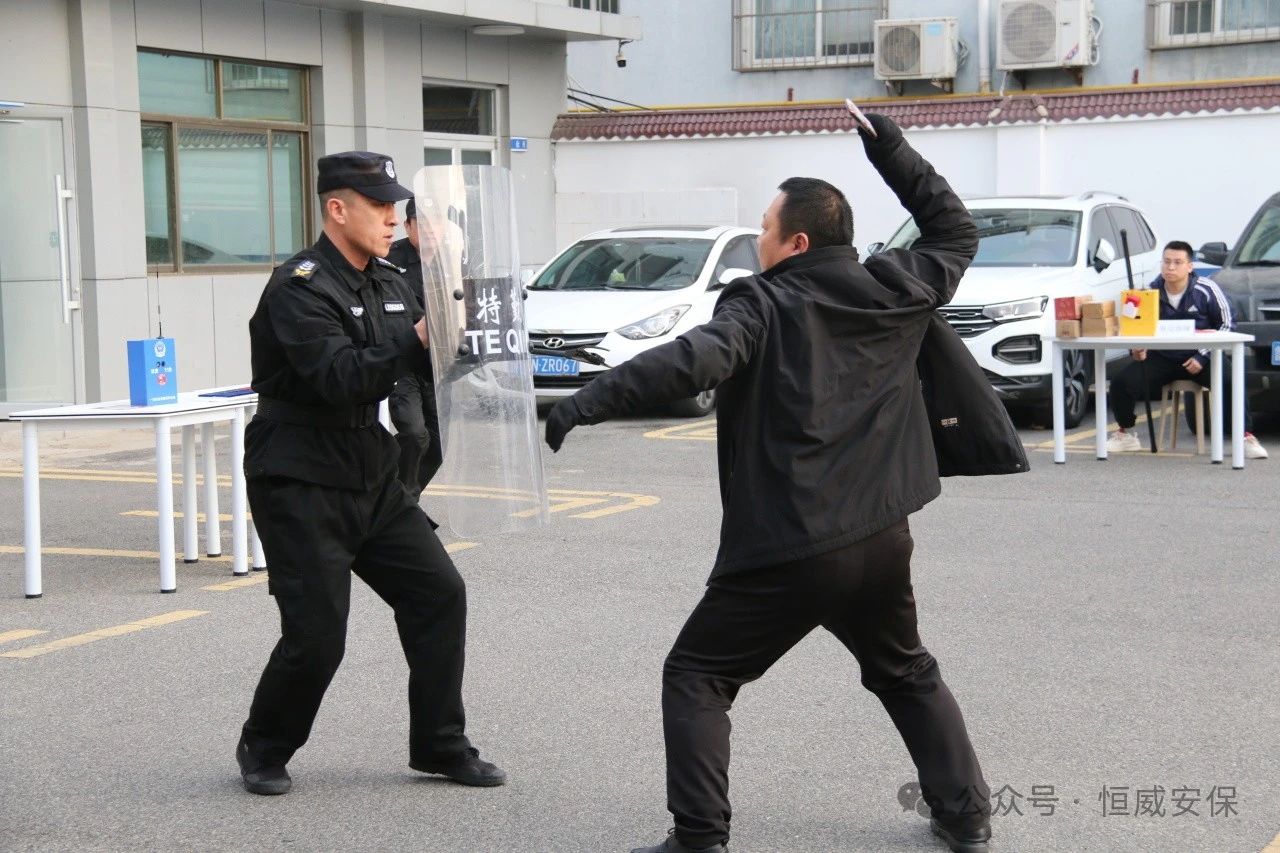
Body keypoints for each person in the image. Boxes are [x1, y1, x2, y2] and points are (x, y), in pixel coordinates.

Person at [544, 114, 998, 853]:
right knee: (905, 669)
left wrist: (587, 399)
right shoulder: (897, 283)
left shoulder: (762, 301)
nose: (757, 240)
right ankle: (967, 816)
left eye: (764, 227)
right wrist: (890, 148)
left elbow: (694, 359)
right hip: (881, 535)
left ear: (797, 243)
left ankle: (700, 837)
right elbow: (954, 227)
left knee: (697, 674)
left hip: (794, 542)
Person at [237, 151, 505, 796]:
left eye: (395, 206)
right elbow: (339, 378)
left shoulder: (388, 281)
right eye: (380, 206)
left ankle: (440, 744)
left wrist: (478, 327)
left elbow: (426, 363)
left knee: (438, 594)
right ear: (338, 209)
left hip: (372, 470)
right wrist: (420, 336)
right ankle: (264, 746)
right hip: (301, 475)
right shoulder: (299, 288)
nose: (393, 218)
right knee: (317, 636)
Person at [1106, 240, 1268, 459]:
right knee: (1121, 383)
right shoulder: (1149, 293)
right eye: (1166, 262)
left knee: (1231, 380)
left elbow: (1228, 324)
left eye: (1177, 262)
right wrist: (1137, 349)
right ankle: (1125, 433)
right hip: (1162, 358)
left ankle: (1244, 436)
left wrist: (1203, 355)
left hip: (1201, 357)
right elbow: (1136, 328)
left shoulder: (1206, 289)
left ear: (1190, 266)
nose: (1170, 267)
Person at [387, 198, 444, 501]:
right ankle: (400, 502)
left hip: (438, 365)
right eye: (422, 224)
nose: (431, 230)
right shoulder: (388, 259)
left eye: (437, 223)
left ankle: (402, 499)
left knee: (440, 441)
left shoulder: (453, 261)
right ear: (407, 226)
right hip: (404, 361)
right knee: (413, 433)